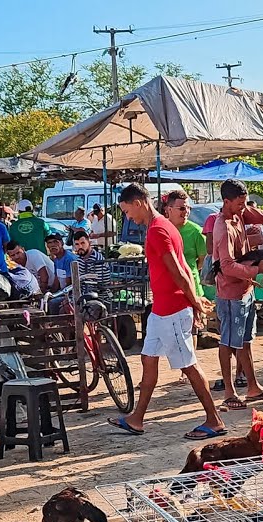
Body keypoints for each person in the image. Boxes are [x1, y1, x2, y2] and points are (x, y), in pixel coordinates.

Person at [108, 183, 225, 440]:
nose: (128, 218)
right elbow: (182, 265)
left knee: (189, 366)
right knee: (148, 359)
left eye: (127, 212)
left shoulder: (158, 230)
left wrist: (194, 301)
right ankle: (137, 418)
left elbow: (179, 270)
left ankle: (214, 420)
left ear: (138, 203)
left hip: (172, 309)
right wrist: (193, 300)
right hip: (162, 309)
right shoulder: (160, 227)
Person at [211, 179, 263, 411]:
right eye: (239, 204)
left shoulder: (241, 214)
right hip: (229, 293)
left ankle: (253, 386)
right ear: (226, 202)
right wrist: (257, 269)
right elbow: (226, 266)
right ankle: (229, 392)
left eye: (245, 204)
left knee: (245, 341)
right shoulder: (222, 227)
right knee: (228, 342)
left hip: (246, 289)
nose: (244, 208)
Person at [160, 190, 205, 298]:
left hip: (192, 289)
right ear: (169, 209)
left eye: (189, 208)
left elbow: (202, 261)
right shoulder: (160, 229)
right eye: (182, 208)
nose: (186, 212)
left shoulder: (196, 231)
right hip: (167, 289)